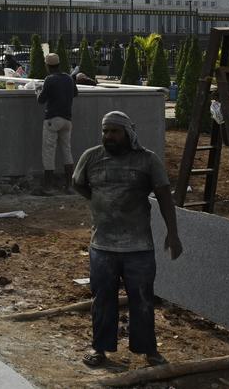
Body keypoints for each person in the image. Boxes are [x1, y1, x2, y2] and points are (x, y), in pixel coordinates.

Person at [73, 111, 182, 369]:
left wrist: (173, 233)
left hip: (138, 247)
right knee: (102, 299)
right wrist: (101, 202)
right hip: (102, 245)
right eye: (105, 131)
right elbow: (78, 183)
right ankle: (99, 348)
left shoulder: (147, 160)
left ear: (128, 133)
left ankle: (149, 350)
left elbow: (165, 197)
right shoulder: (91, 157)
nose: (109, 136)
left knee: (142, 299)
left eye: (115, 131)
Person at [37, 53, 77, 192]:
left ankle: (48, 187)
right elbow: (75, 93)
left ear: (48, 66)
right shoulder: (69, 78)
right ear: (59, 64)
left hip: (52, 119)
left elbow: (41, 100)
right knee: (67, 151)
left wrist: (38, 90)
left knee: (49, 152)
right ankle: (69, 186)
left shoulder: (50, 79)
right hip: (67, 120)